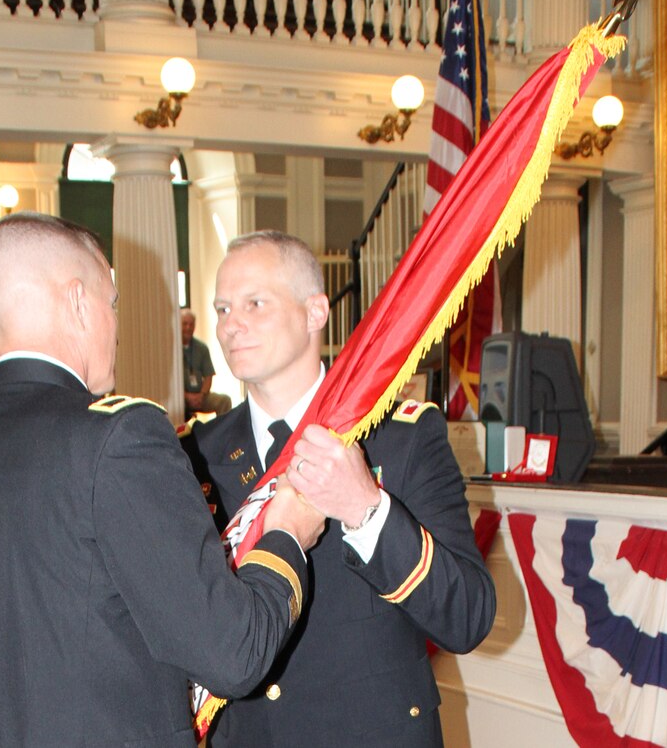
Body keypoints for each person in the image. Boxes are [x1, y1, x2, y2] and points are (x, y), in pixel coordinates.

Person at [0, 212, 324, 747]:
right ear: (76, 302)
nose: (116, 324)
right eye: (111, 304)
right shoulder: (117, 439)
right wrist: (286, 537)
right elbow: (233, 654)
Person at [182, 231, 496, 746]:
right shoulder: (193, 452)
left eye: (254, 303)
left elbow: (468, 617)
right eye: (221, 309)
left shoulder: (401, 438)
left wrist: (368, 510)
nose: (230, 326)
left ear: (315, 313)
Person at [182, 308, 232, 420]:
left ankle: (223, 434)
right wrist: (187, 396)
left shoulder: (202, 348)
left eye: (191, 324)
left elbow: (209, 376)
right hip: (182, 398)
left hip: (201, 396)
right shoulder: (172, 349)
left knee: (224, 401)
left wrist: (201, 395)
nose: (188, 328)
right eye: (185, 324)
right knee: (178, 406)